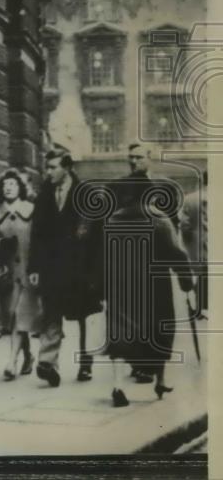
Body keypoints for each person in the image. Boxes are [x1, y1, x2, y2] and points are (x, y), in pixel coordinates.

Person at [103, 181, 195, 406]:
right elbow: (176, 254)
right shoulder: (159, 219)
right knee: (159, 333)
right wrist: (186, 283)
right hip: (154, 287)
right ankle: (160, 381)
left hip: (120, 286)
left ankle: (118, 386)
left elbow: (101, 256)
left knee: (119, 334)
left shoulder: (113, 220)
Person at [111, 142, 185, 384]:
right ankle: (142, 364)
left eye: (138, 157)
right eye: (130, 157)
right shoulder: (120, 186)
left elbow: (172, 224)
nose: (134, 162)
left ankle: (147, 365)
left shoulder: (165, 186)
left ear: (150, 158)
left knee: (155, 317)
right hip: (129, 264)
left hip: (157, 260)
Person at [29, 148, 103, 387]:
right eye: (47, 167)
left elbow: (97, 238)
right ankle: (48, 364)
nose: (48, 172)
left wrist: (96, 273)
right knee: (51, 314)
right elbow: (36, 235)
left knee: (84, 316)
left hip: (80, 269)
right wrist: (34, 268)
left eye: (53, 167)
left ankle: (85, 363)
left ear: (67, 167)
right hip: (52, 268)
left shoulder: (87, 194)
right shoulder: (44, 195)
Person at [0, 170, 41, 381]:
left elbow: (39, 240)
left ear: (20, 188)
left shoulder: (32, 211)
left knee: (20, 315)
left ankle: (11, 362)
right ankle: (27, 355)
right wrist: (0, 244)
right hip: (7, 274)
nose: (8, 187)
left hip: (27, 272)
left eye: (13, 184)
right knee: (14, 316)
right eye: (5, 184)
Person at [180, 171, 208, 318]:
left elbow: (184, 226)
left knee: (203, 274)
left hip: (198, 245)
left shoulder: (190, 199)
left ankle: (199, 307)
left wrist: (188, 244)